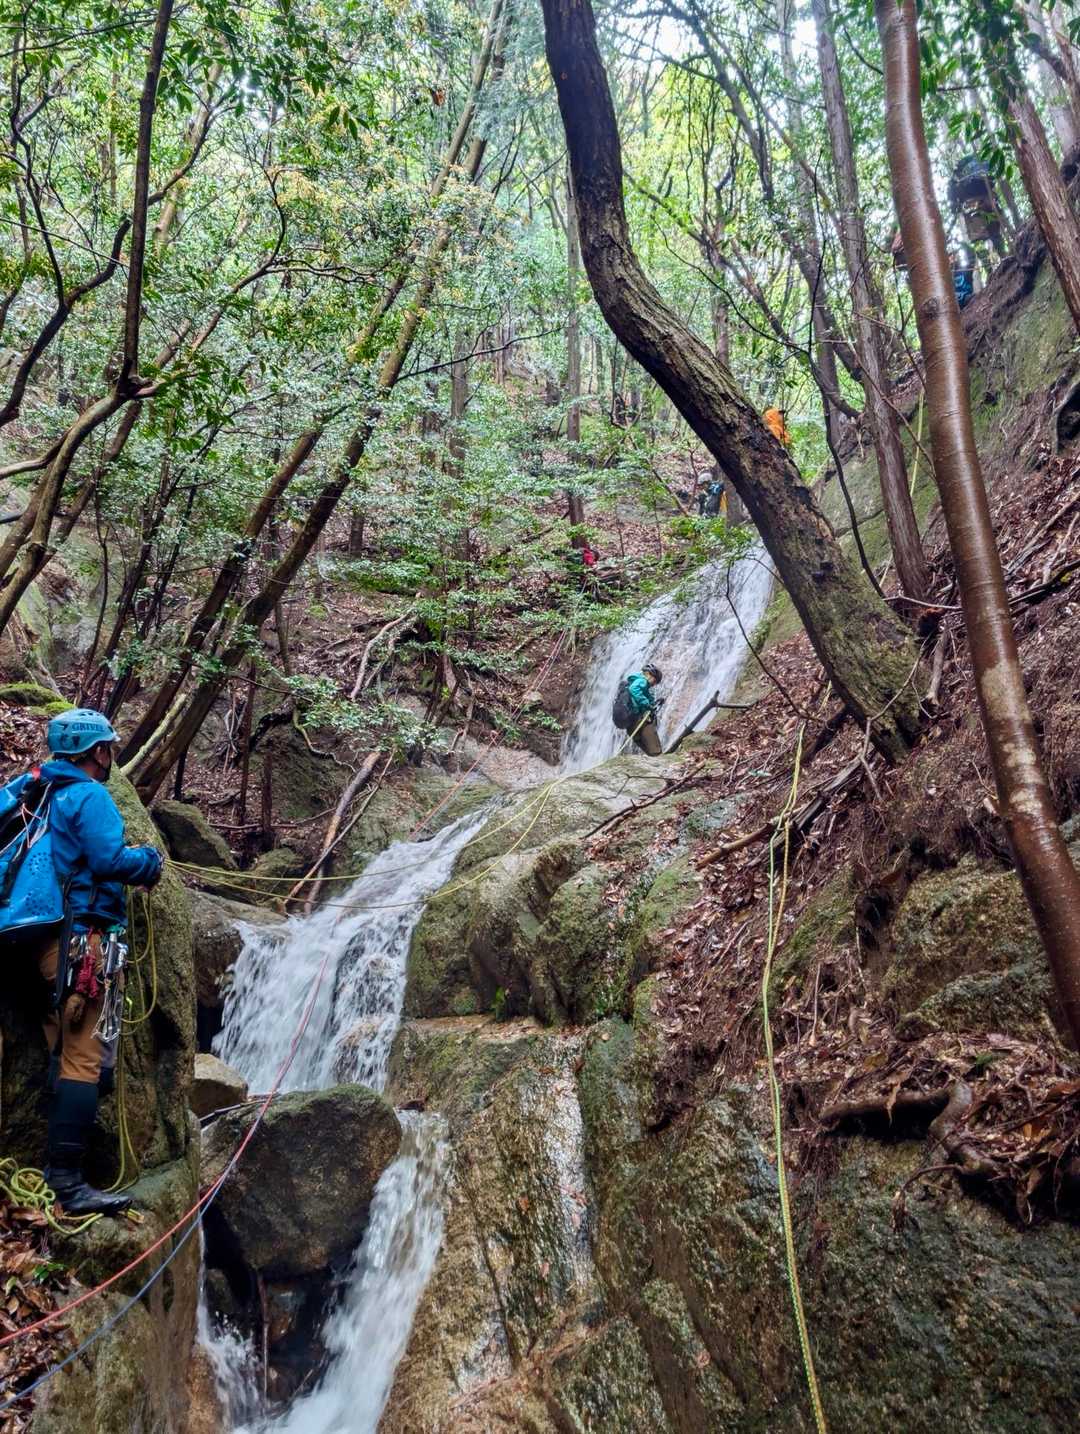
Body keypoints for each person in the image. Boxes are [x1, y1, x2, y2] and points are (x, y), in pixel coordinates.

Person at [0, 709, 164, 1215]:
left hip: (24, 937)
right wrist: (149, 862)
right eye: (108, 747)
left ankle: (56, 1161)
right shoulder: (89, 796)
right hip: (75, 940)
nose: (111, 755)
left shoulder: (35, 790)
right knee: (85, 1058)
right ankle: (68, 1184)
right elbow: (108, 861)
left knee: (60, 1044)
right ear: (97, 752)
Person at [623, 664, 664, 756]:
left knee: (644, 745)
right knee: (655, 750)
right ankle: (656, 755)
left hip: (630, 722)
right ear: (649, 675)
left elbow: (647, 696)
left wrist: (653, 703)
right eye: (655, 681)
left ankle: (652, 756)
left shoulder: (636, 682)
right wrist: (647, 704)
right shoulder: (643, 681)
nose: (654, 684)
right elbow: (634, 689)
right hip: (638, 719)